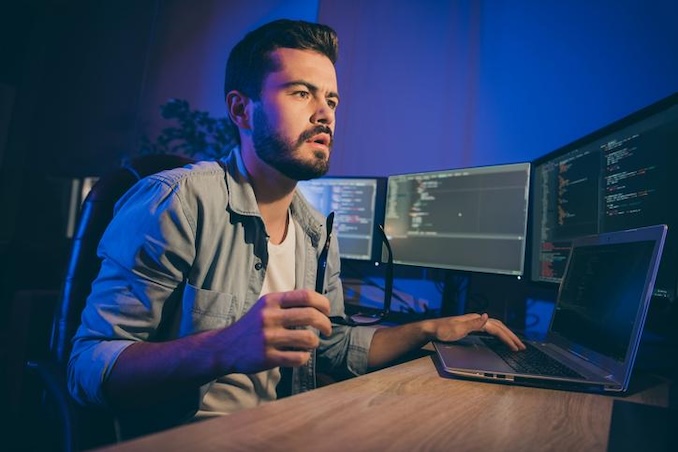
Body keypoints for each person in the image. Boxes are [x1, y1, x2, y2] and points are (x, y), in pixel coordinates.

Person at [68, 18, 524, 437]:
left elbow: (331, 349)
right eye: (301, 93)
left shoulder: (315, 231)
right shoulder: (177, 202)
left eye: (331, 99)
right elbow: (87, 368)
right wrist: (224, 348)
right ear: (241, 110)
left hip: (287, 429)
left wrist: (427, 330)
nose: (324, 114)